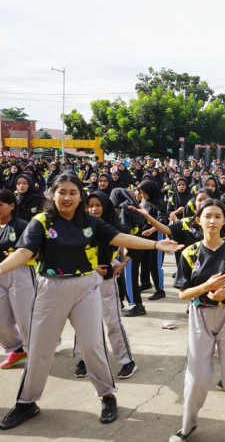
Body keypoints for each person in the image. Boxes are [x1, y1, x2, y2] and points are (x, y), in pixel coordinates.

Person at [0, 173, 182, 430]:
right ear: (53, 194)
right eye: (62, 192)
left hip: (86, 287)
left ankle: (107, 396)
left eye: (73, 193)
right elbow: (24, 252)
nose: (67, 197)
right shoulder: (40, 222)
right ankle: (26, 402)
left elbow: (120, 238)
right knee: (39, 349)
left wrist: (155, 246)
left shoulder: (91, 222)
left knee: (93, 346)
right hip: (50, 289)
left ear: (80, 196)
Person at [170, 199, 225, 442]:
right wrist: (206, 286)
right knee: (197, 376)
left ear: (224, 220)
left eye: (218, 216)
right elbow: (182, 293)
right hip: (200, 315)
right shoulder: (190, 253)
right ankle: (187, 425)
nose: (213, 221)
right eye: (207, 216)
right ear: (198, 220)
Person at [73, 191, 136, 380]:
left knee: (112, 321)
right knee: (83, 323)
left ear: (106, 206)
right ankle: (83, 359)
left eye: (98, 205)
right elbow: (71, 253)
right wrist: (93, 268)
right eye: (90, 205)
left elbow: (130, 244)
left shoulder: (113, 226)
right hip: (82, 281)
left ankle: (127, 361)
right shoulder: (78, 226)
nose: (94, 209)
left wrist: (120, 263)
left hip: (106, 281)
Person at [0, 189, 33, 370]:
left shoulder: (21, 225)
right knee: (1, 321)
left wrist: (18, 255)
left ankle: (35, 350)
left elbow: (34, 249)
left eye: (1, 205)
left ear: (12, 206)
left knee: (25, 317)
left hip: (20, 273)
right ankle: (17, 348)